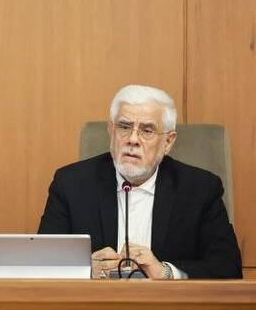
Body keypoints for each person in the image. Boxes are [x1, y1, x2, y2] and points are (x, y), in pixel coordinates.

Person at [38, 84, 242, 279]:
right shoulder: (71, 184)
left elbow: (228, 267)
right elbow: (42, 263)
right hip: (96, 302)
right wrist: (87, 271)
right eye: (124, 127)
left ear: (168, 142)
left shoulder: (200, 189)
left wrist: (165, 272)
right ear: (111, 131)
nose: (133, 139)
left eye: (147, 130)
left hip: (168, 303)